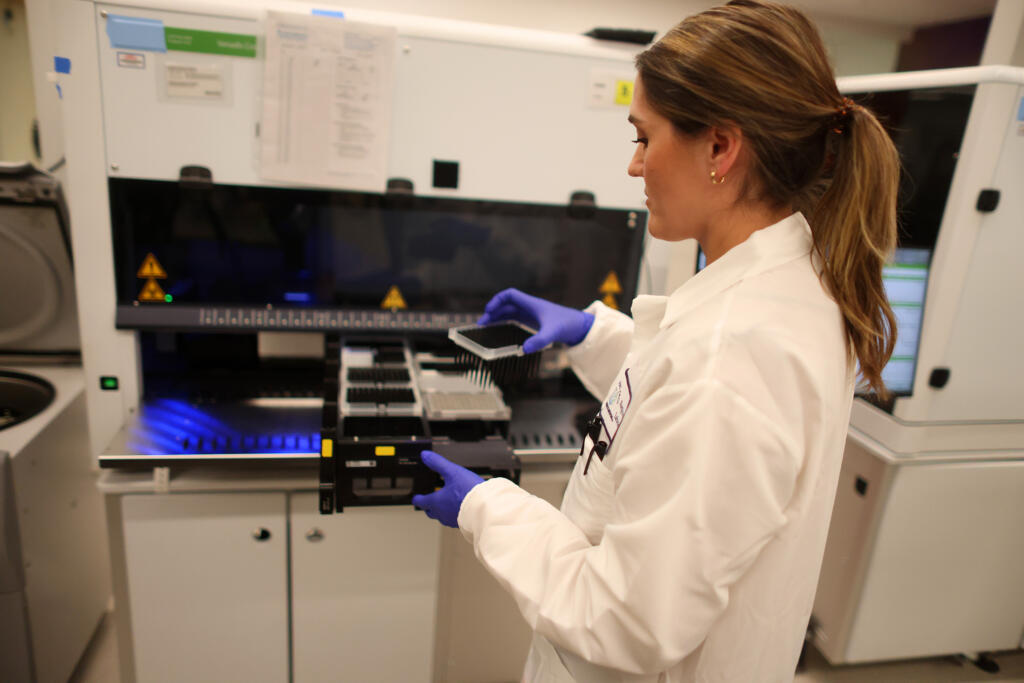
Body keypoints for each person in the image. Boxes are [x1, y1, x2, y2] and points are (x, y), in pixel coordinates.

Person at [412, 1, 899, 680]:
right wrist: (591, 333)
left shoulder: (733, 355)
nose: (634, 166)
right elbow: (677, 406)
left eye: (644, 137)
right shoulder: (796, 279)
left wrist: (485, 507)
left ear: (721, 148)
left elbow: (624, 620)